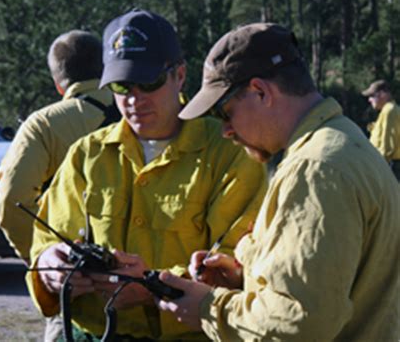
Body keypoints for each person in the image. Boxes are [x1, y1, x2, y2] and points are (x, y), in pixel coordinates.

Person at [26, 9, 267, 341]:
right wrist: (50, 269)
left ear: (179, 76)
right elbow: (45, 242)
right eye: (121, 86)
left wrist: (152, 286)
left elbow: (237, 264)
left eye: (148, 82)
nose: (133, 99)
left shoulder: (229, 153)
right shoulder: (87, 155)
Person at [154, 23, 400, 341]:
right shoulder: (343, 141)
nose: (225, 131)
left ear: (261, 92)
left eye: (223, 112)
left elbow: (297, 324)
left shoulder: (314, 170)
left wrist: (208, 308)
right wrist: (249, 275)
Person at [0, 30, 118, 342]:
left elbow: (11, 201)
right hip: (143, 285)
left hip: (76, 287)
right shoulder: (148, 110)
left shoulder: (44, 124)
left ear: (58, 83)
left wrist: (43, 259)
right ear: (106, 68)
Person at [362, 79, 400, 180]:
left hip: (390, 165)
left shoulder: (389, 111)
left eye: (372, 96)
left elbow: (388, 146)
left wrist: (378, 166)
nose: (369, 100)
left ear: (383, 94)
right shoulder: (387, 110)